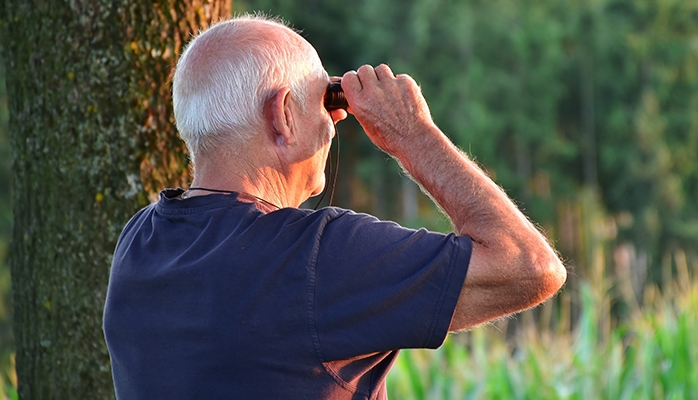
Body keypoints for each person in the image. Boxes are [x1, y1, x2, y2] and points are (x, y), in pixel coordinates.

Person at [103, 14, 566, 400]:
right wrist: (412, 135)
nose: (333, 124)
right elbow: (529, 266)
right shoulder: (315, 259)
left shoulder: (139, 245)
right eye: (324, 102)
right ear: (282, 116)